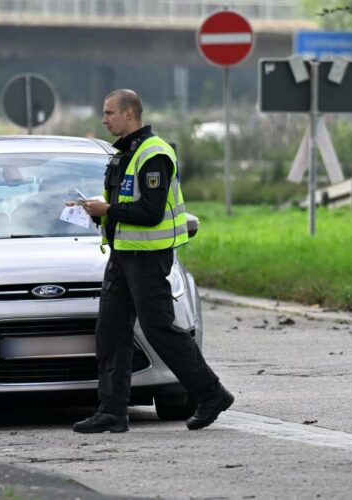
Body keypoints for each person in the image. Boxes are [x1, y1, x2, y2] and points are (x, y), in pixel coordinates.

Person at [72, 89, 233, 433]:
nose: (104, 119)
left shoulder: (154, 154)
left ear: (129, 114)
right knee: (111, 331)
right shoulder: (123, 154)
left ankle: (211, 393)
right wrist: (96, 213)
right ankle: (112, 410)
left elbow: (150, 212)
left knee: (159, 329)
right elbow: (124, 205)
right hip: (122, 256)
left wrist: (109, 209)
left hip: (147, 259)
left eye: (109, 113)